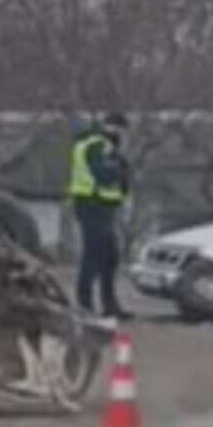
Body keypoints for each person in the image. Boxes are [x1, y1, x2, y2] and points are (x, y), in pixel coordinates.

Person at [68, 112, 131, 319]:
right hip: (92, 204)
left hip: (98, 205)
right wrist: (121, 171)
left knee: (109, 256)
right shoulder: (98, 144)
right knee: (94, 255)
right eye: (122, 131)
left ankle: (108, 304)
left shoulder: (93, 143)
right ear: (114, 127)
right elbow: (102, 173)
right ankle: (86, 304)